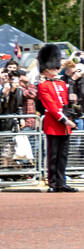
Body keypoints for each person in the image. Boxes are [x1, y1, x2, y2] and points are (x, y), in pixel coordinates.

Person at [36, 43, 76, 191]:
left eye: (56, 67)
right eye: (52, 68)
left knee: (63, 156)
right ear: (45, 70)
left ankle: (61, 182)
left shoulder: (61, 84)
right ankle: (52, 183)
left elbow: (64, 104)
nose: (55, 70)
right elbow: (51, 107)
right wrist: (65, 120)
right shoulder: (43, 85)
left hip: (65, 126)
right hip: (54, 124)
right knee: (53, 156)